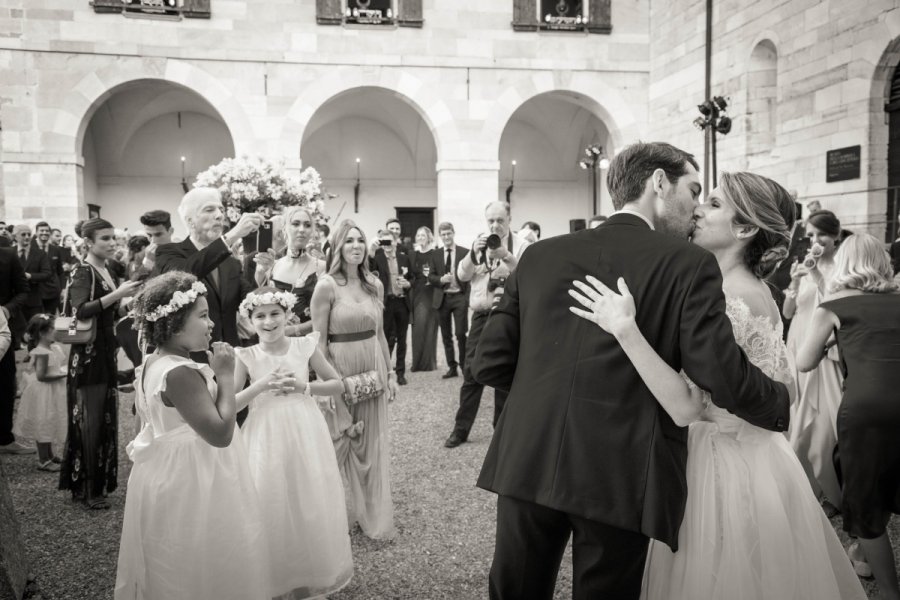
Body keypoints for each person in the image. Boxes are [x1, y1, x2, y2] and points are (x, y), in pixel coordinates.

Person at [472, 143, 790, 599]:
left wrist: (548, 392)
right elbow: (719, 374)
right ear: (658, 184)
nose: (696, 206)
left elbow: (490, 363)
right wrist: (781, 402)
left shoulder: (540, 256)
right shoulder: (688, 265)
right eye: (693, 190)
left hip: (528, 454)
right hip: (621, 468)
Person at [569, 172, 866, 600]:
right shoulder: (759, 289)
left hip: (717, 465)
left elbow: (686, 405)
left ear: (744, 229)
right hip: (762, 459)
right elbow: (785, 390)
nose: (697, 211)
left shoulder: (727, 296)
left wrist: (625, 329)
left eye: (712, 204)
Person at [115, 272, 271, 600]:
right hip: (193, 478)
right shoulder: (180, 373)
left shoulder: (155, 361)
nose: (211, 323)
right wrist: (226, 375)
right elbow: (219, 432)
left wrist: (258, 387)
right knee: (198, 558)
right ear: (173, 322)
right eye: (202, 316)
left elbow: (204, 416)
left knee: (181, 561)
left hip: (171, 470)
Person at [797, 233, 900, 600]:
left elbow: (804, 361)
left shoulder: (834, 304)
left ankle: (888, 591)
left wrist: (830, 343)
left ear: (844, 262)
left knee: (866, 498)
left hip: (866, 410)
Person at [235, 287, 354, 598]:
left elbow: (337, 384)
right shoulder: (246, 355)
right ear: (249, 321)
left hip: (304, 429)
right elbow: (230, 405)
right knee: (270, 498)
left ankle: (307, 574)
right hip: (265, 433)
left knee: (306, 496)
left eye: (275, 313)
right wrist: (257, 387)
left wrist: (304, 386)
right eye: (259, 316)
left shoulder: (304, 346)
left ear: (288, 315)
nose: (268, 321)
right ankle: (275, 577)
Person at [310, 219, 397, 540]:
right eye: (349, 241)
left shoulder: (374, 283)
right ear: (338, 247)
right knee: (341, 443)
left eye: (360, 240)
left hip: (373, 367)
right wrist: (332, 389)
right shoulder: (326, 286)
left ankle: (372, 514)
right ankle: (335, 518)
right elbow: (317, 345)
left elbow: (382, 335)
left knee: (372, 445)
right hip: (340, 370)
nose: (356, 246)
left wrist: (390, 374)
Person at [59, 218, 142, 510]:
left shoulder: (104, 270)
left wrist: (127, 302)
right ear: (89, 243)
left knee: (102, 419)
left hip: (104, 354)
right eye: (104, 239)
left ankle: (92, 486)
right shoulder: (83, 272)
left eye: (113, 238)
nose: (111, 243)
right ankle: (88, 488)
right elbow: (80, 310)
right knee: (90, 422)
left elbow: (109, 310)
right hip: (87, 359)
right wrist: (117, 295)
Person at [443, 201, 529, 449]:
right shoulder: (479, 243)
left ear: (509, 219)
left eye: (500, 220)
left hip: (508, 316)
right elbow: (462, 276)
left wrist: (507, 257)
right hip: (481, 315)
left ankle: (501, 431)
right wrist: (472, 253)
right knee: (471, 372)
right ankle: (461, 429)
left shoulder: (521, 245)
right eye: (491, 220)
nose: (495, 225)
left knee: (504, 372)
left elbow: (529, 274)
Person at [783, 209, 844, 513]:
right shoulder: (801, 265)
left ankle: (831, 488)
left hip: (824, 352)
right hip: (797, 344)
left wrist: (818, 275)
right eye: (811, 235)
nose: (816, 241)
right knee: (797, 420)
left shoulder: (842, 269)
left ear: (835, 235)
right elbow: (787, 313)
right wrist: (794, 284)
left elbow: (838, 306)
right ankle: (805, 489)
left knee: (825, 425)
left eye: (822, 234)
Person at [154, 188, 262, 356]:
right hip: (191, 356)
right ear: (190, 221)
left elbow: (249, 300)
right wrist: (232, 236)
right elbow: (185, 275)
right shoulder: (168, 253)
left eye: (221, 209)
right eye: (209, 209)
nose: (219, 215)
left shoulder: (230, 262)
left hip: (230, 354)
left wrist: (262, 272)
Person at [253, 205, 326, 336]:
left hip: (310, 346)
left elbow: (327, 316)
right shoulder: (272, 267)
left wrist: (294, 330)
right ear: (284, 229)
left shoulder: (321, 268)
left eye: (307, 225)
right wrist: (260, 273)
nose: (302, 229)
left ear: (312, 231)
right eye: (296, 224)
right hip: (275, 346)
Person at [13, 314, 67, 471]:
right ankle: (43, 460)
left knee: (49, 421)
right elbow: (42, 376)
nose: (57, 331)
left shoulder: (53, 348)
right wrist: (64, 373)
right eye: (53, 329)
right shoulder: (42, 352)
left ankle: (50, 455)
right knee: (43, 423)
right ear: (43, 333)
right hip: (44, 392)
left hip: (51, 391)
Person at [370, 229, 413, 385]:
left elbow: (413, 278)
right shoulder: (378, 258)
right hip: (386, 303)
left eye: (390, 241)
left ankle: (401, 373)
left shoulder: (404, 258)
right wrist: (372, 251)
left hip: (402, 302)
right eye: (384, 241)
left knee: (402, 339)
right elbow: (367, 270)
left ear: (395, 241)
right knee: (386, 338)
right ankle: (386, 371)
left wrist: (408, 284)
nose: (387, 245)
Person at [428, 222, 469, 379]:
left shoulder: (464, 252)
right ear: (440, 236)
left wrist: (466, 299)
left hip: (459, 297)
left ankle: (465, 367)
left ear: (453, 233)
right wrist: (441, 279)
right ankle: (452, 367)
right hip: (442, 298)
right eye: (443, 234)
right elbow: (430, 276)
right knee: (446, 335)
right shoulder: (436, 254)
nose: (446, 237)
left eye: (448, 233)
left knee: (460, 333)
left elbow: (470, 276)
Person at [0, 244, 30, 454]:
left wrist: (7, 310)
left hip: (1, 329)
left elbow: (23, 291)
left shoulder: (7, 254)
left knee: (4, 385)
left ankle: (4, 438)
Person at [410, 226, 438, 372]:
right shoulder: (412, 255)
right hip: (416, 292)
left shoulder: (435, 254)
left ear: (429, 237)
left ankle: (428, 363)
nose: (420, 237)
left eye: (423, 235)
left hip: (430, 292)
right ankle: (417, 362)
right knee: (417, 328)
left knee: (429, 326)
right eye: (418, 235)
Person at [13, 224, 52, 322]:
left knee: (34, 331)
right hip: (13, 301)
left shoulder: (39, 253)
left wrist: (30, 276)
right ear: (15, 237)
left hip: (33, 301)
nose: (27, 237)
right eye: (23, 234)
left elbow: (47, 274)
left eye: (29, 234)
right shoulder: (9, 252)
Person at [32, 221, 63, 314]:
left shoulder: (55, 249)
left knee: (50, 320)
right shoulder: (30, 247)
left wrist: (63, 289)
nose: (44, 233)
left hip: (52, 292)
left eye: (47, 231)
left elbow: (60, 271)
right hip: (35, 291)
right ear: (36, 232)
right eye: (41, 230)